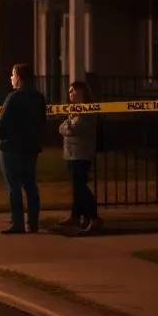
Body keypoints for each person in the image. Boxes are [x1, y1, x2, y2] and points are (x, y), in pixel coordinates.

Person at [0, 63, 46, 235]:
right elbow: (41, 123)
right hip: (30, 146)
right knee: (30, 184)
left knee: (13, 185)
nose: (11, 78)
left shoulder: (13, 97)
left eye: (13, 75)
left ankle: (17, 223)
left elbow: (2, 122)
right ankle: (33, 223)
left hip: (11, 146)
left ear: (19, 77)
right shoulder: (38, 97)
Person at [58, 80, 103, 235]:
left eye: (74, 91)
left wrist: (67, 127)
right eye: (69, 91)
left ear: (83, 92)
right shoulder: (73, 110)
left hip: (82, 153)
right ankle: (76, 215)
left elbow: (76, 128)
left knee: (80, 186)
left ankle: (93, 217)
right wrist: (67, 127)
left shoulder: (88, 109)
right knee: (76, 186)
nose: (71, 94)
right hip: (70, 153)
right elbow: (63, 127)